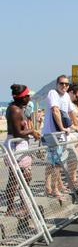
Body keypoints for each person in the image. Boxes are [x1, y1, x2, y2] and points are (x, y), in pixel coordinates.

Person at [5, 84, 40, 216]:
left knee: (24, 176)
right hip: (16, 146)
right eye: (27, 96)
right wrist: (32, 131)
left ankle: (22, 205)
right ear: (22, 98)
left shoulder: (17, 108)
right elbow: (17, 133)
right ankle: (11, 208)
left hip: (19, 146)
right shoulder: (15, 110)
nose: (29, 98)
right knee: (15, 178)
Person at [42, 75, 77, 198]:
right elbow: (55, 110)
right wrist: (62, 128)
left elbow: (71, 112)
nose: (64, 86)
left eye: (67, 84)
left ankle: (49, 187)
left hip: (60, 134)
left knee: (54, 161)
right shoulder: (53, 93)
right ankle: (54, 188)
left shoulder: (66, 96)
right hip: (52, 133)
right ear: (57, 84)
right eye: (62, 83)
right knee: (55, 162)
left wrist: (77, 125)